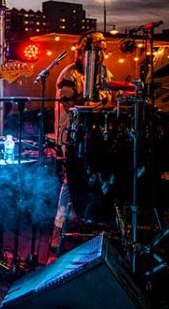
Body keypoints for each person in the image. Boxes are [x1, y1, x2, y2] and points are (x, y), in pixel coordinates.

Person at [49, 31, 113, 257]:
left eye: (103, 51)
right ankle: (58, 231)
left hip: (95, 139)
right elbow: (72, 105)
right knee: (71, 183)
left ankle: (89, 229)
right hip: (72, 138)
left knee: (96, 182)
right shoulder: (70, 73)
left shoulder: (104, 72)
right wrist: (98, 100)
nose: (101, 55)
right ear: (83, 52)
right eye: (96, 51)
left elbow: (110, 98)